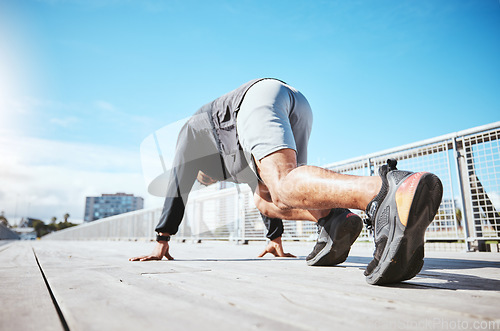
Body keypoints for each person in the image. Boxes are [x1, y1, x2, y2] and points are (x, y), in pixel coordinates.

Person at [130, 78, 443, 285]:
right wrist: (274, 239)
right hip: (296, 102)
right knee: (271, 195)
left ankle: (383, 191)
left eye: (205, 179)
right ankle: (333, 218)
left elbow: (177, 186)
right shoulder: (232, 158)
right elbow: (266, 198)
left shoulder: (191, 134)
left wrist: (162, 238)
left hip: (255, 101)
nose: (209, 182)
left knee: (283, 181)